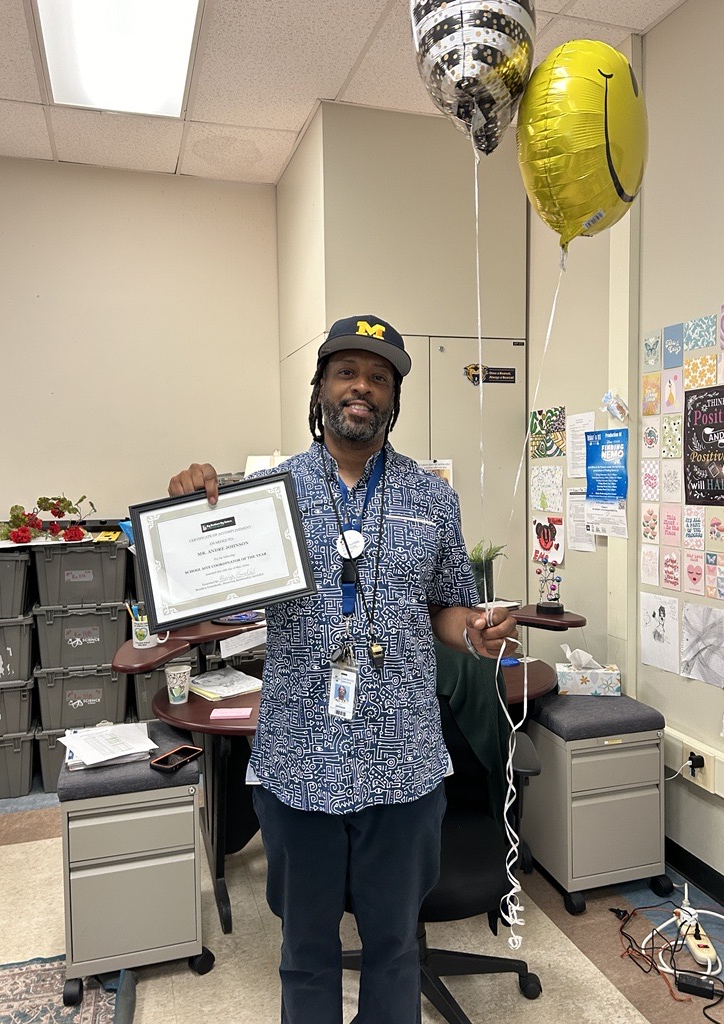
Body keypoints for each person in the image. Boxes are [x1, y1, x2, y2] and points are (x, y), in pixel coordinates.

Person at [168, 314, 516, 1024]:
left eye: (379, 376)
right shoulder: (265, 495)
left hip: (405, 765)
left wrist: (475, 633)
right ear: (321, 387)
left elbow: (448, 607)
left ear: (393, 398)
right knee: (304, 954)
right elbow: (199, 600)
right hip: (299, 761)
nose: (362, 387)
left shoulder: (433, 498)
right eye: (347, 372)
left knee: (394, 950)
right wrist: (185, 513)